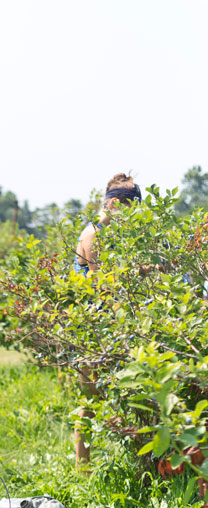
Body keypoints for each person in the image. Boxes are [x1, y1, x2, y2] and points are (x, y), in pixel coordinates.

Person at [72, 173, 142, 464]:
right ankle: (83, 468)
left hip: (112, 326)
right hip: (95, 328)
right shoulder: (93, 234)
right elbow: (104, 283)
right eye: (130, 207)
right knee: (90, 401)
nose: (134, 214)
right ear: (114, 204)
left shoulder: (110, 233)